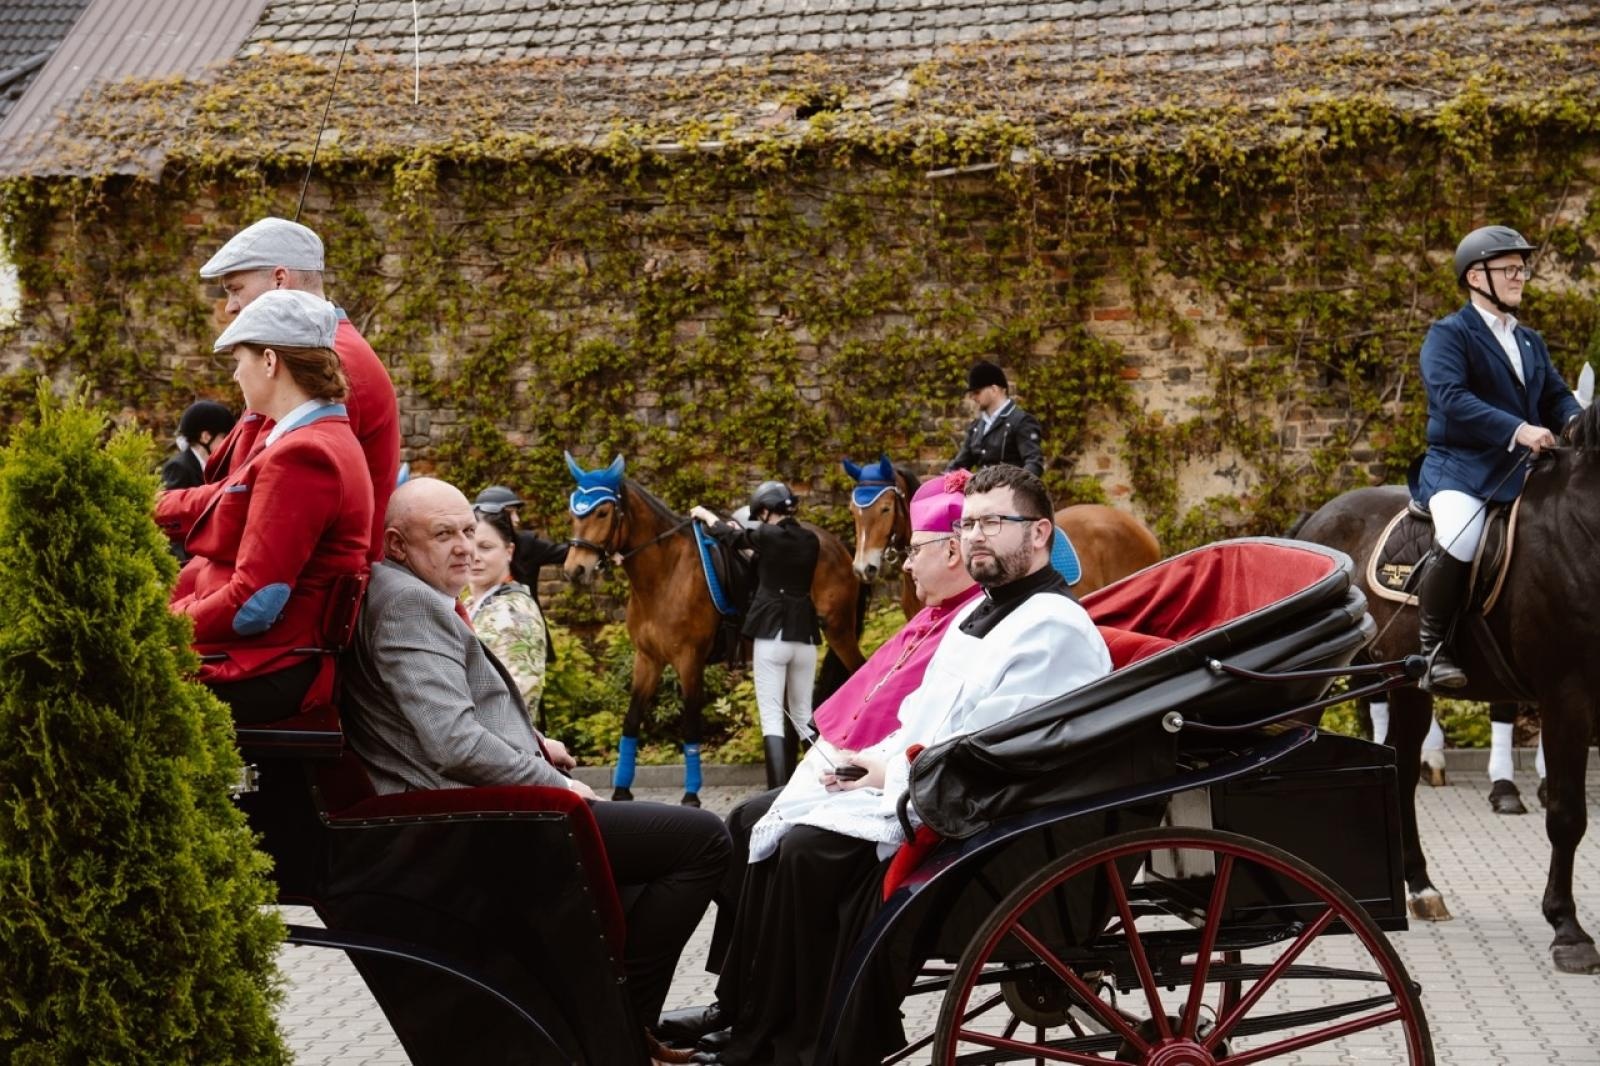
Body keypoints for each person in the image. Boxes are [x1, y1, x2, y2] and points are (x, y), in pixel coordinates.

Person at [706, 465, 1112, 1066]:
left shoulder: (1052, 624)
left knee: (805, 851)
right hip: (932, 779)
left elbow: (998, 748)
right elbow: (925, 718)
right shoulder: (986, 613)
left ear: (1039, 534)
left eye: (994, 522)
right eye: (969, 523)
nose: (975, 535)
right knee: (767, 822)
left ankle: (810, 1044)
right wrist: (870, 761)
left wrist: (889, 776)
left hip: (984, 809)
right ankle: (760, 1024)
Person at [340, 476, 731, 1038]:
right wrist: (557, 784)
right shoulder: (407, 603)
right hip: (478, 817)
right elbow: (454, 743)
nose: (464, 548)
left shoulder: (412, 592)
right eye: (443, 534)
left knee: (665, 861)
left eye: (470, 532)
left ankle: (610, 1017)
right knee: (705, 838)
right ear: (398, 544)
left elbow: (453, 717)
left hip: (488, 802)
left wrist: (537, 744)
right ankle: (624, 1030)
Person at [662, 469, 985, 1051]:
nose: (905, 566)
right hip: (875, 755)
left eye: (914, 551)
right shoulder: (929, 608)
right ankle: (736, 1001)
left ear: (955, 553)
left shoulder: (971, 620)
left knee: (795, 844)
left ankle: (777, 1021)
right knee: (740, 821)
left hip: (914, 782)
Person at [169, 289, 372, 723]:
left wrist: (162, 624)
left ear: (269, 361)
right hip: (263, 657)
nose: (237, 376)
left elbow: (255, 604)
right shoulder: (310, 439)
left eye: (238, 361)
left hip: (266, 667)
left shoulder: (303, 454)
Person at [156, 217, 400, 563]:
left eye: (235, 289)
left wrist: (153, 507)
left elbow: (249, 498)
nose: (230, 307)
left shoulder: (326, 359)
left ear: (280, 280)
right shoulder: (313, 350)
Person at [1412, 225, 1581, 690]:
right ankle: (1430, 651)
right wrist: (1517, 429)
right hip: (1462, 470)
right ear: (1475, 277)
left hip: (1522, 471)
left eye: (1522, 269)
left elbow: (1556, 395)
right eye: (1509, 268)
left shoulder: (1529, 341)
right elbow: (1451, 398)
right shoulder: (1449, 334)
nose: (1519, 277)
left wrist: (1574, 423)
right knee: (1461, 538)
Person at [690, 481, 822, 789]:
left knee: (773, 717)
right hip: (805, 638)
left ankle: (775, 794)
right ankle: (824, 784)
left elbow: (728, 536)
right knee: (804, 716)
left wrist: (707, 516)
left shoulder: (767, 535)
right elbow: (769, 563)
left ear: (765, 511)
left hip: (772, 635)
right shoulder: (810, 540)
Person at [466, 504, 549, 723]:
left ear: (509, 551)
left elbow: (515, 703)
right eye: (468, 545)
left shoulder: (515, 613)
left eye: (485, 547)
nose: (474, 556)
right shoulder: (470, 605)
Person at [472, 484, 568, 661]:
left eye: (486, 547)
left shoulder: (528, 544)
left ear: (509, 551)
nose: (516, 519)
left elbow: (567, 553)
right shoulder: (465, 602)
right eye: (510, 513)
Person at [947, 360, 1045, 477]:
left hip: (1011, 491)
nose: (973, 397)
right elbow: (959, 466)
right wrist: (938, 486)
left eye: (977, 392)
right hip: (981, 492)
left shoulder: (1022, 421)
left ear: (994, 389)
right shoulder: (976, 427)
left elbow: (1033, 464)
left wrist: (1014, 490)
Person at [161, 400, 235, 490]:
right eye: (225, 437)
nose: (230, 443)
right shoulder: (179, 468)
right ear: (205, 437)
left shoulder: (216, 467)